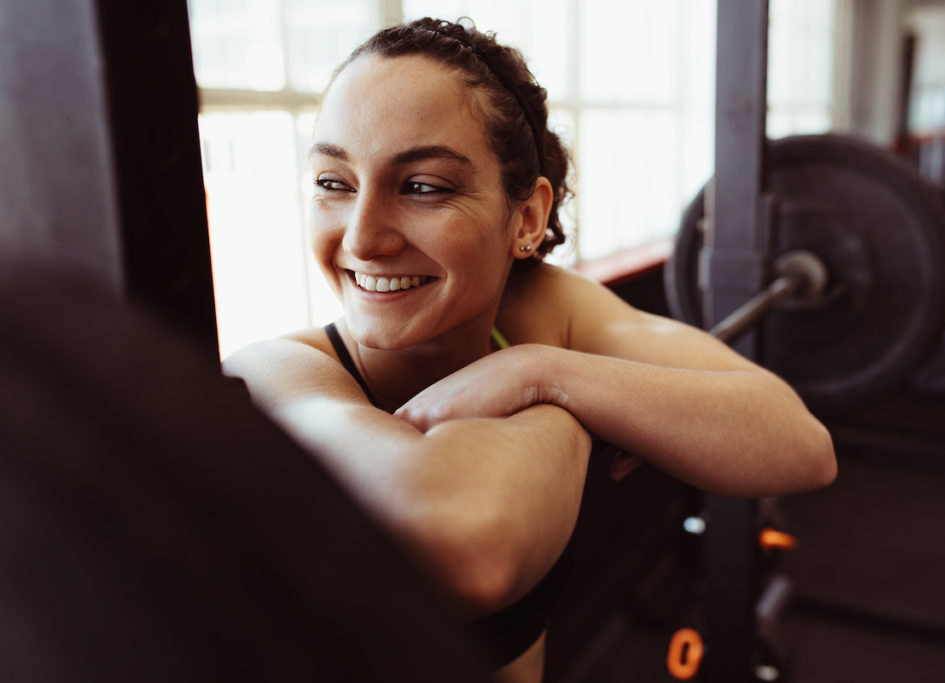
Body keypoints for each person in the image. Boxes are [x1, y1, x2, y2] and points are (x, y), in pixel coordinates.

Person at [223, 17, 836, 682]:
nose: (364, 238)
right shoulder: (277, 373)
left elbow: (801, 445)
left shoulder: (547, 313)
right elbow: (465, 546)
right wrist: (578, 408)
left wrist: (542, 370)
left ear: (526, 217)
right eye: (334, 183)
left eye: (423, 185)